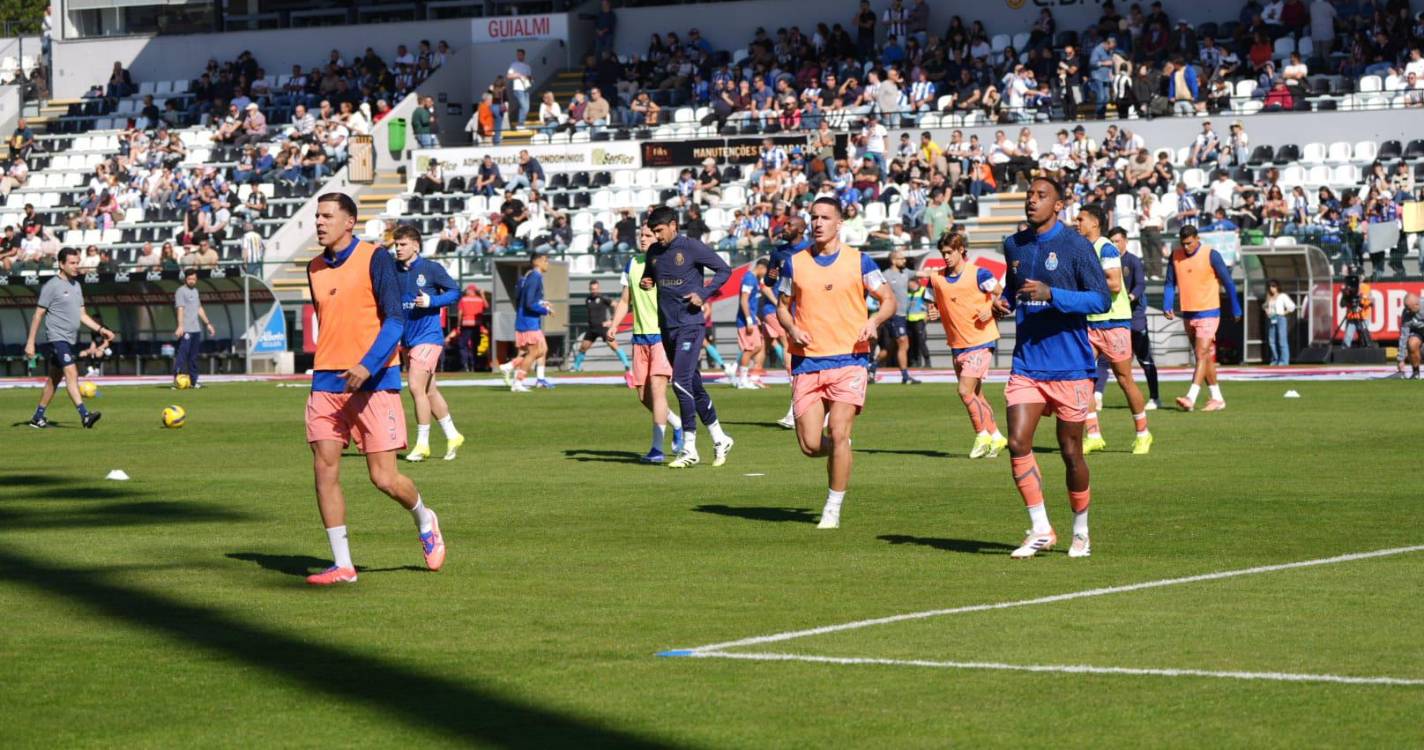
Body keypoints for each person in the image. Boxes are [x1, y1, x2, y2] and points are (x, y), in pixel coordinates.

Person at [302, 193, 443, 585]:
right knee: (324, 470)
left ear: (350, 222)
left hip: (375, 382)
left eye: (327, 216)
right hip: (325, 383)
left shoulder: (375, 258)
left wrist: (368, 364)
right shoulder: (313, 268)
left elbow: (395, 320)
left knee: (383, 478)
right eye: (317, 216)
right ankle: (343, 565)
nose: (319, 222)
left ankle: (424, 517)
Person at [993, 177, 1110, 559]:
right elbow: (1014, 289)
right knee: (1016, 442)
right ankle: (1041, 527)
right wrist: (1003, 302)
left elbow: (1101, 299)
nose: (1032, 201)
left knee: (1071, 451)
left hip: (1071, 367)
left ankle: (1081, 531)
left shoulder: (1076, 246)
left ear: (1058, 205)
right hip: (1027, 363)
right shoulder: (1015, 244)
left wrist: (1052, 294)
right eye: (1029, 195)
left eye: (1042, 196)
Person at [776, 197, 894, 529]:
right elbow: (782, 306)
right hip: (807, 362)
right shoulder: (794, 263)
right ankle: (842, 452)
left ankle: (833, 506)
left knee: (839, 432)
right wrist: (792, 328)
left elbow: (888, 300)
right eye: (813, 217)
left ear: (839, 223)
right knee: (811, 445)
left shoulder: (860, 262)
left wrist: (874, 322)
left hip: (849, 359)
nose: (817, 223)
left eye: (825, 217)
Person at [639, 206, 734, 468]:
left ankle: (689, 448)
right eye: (653, 232)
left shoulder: (691, 247)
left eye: (659, 231)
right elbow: (649, 277)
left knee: (679, 382)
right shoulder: (654, 252)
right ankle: (720, 437)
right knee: (693, 386)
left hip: (690, 325)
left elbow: (724, 270)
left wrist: (703, 294)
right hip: (666, 327)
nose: (657, 236)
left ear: (673, 225)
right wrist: (645, 282)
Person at [1075, 206, 1153, 456]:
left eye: (1081, 219)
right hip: (1089, 322)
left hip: (1114, 322)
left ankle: (1143, 433)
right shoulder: (1081, 248)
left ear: (1095, 222)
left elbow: (1114, 284)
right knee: (1082, 379)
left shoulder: (1106, 248)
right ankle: (1094, 434)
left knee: (1124, 379)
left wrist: (1082, 286)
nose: (1076, 222)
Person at [920, 233, 1006, 459]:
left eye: (950, 252)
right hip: (957, 345)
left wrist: (994, 309)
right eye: (943, 253)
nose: (946, 257)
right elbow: (929, 299)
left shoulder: (980, 274)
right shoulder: (936, 278)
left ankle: (982, 435)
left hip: (981, 341)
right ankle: (996, 435)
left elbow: (1003, 295)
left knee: (964, 390)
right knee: (977, 395)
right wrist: (932, 309)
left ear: (961, 251)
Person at [607, 223, 685, 462]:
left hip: (661, 335)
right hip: (639, 337)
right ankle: (676, 423)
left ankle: (657, 449)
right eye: (641, 234)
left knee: (658, 390)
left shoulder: (668, 262)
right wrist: (614, 325)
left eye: (648, 235)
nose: (642, 238)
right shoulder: (632, 264)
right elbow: (624, 300)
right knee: (643, 395)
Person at [391, 225, 465, 462]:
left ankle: (422, 444)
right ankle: (453, 435)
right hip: (409, 339)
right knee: (429, 391)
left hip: (429, 338)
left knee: (415, 387)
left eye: (402, 244)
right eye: (396, 244)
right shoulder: (394, 270)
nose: (398, 248)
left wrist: (433, 300)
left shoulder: (431, 269)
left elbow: (455, 292)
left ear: (415, 245)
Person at [24, 247, 113, 429]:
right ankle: (85, 415)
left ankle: (37, 417)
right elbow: (38, 315)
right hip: (57, 338)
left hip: (68, 340)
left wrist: (101, 329)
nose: (76, 266)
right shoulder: (51, 286)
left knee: (53, 381)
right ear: (61, 264)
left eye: (77, 263)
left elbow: (82, 315)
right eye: (72, 263)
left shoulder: (77, 286)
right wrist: (30, 342)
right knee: (72, 373)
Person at [1163, 225, 1241, 412]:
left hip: (1209, 312)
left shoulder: (1211, 255)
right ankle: (1217, 398)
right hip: (1188, 313)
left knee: (1200, 354)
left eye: (1189, 243)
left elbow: (1228, 282)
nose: (1187, 247)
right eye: (1183, 244)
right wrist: (1167, 303)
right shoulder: (1175, 256)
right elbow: (1169, 283)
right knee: (1204, 357)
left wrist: (1236, 307)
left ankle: (1191, 397)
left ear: (1197, 239)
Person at [1093, 227, 1161, 410]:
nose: (1114, 244)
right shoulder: (1104, 259)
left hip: (1134, 316)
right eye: (1112, 241)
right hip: (1113, 317)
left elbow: (1140, 284)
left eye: (1117, 241)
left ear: (1125, 241)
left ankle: (1155, 397)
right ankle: (1097, 396)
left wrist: (1130, 297)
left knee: (1145, 358)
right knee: (1104, 360)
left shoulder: (1133, 261)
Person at [763, 216, 810, 428]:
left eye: (790, 225)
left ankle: (812, 410)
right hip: (792, 314)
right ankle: (796, 411)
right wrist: (773, 273)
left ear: (802, 229)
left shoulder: (813, 248)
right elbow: (769, 281)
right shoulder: (778, 252)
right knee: (793, 362)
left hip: (815, 312)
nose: (785, 227)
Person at [500, 251, 553, 392]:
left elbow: (529, 300)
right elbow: (529, 303)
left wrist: (542, 303)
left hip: (529, 320)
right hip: (528, 321)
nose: (547, 263)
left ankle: (510, 366)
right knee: (534, 352)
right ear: (537, 262)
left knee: (541, 350)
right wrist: (544, 310)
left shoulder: (533, 277)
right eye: (545, 260)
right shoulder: (535, 277)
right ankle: (517, 382)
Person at [571, 280, 632, 378]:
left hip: (603, 328)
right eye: (592, 289)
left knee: (614, 346)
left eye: (595, 289)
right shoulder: (588, 300)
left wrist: (612, 320)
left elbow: (616, 305)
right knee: (583, 348)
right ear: (589, 289)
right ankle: (576, 367)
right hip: (592, 329)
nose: (593, 291)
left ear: (599, 289)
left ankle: (627, 365)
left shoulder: (603, 298)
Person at [878, 249, 921, 384]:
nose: (904, 260)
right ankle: (905, 376)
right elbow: (875, 290)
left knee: (890, 347)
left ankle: (871, 366)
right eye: (901, 258)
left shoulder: (906, 273)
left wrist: (940, 272)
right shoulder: (885, 275)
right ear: (893, 260)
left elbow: (923, 273)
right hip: (894, 315)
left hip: (902, 316)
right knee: (903, 342)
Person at [173, 268, 216, 389]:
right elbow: (180, 308)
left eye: (194, 279)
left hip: (196, 329)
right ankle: (177, 381)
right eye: (189, 279)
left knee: (193, 357)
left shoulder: (196, 291)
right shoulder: (180, 291)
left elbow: (199, 308)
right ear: (185, 279)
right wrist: (180, 326)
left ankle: (193, 381)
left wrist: (208, 324)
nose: (192, 281)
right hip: (186, 329)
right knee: (182, 356)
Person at [735, 258, 768, 389]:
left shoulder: (753, 279)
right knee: (749, 349)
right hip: (745, 321)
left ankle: (741, 373)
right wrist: (748, 320)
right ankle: (742, 380)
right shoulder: (749, 279)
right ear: (761, 267)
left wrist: (754, 317)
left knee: (757, 346)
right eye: (766, 271)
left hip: (751, 319)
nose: (765, 274)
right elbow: (744, 300)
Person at [1263, 278, 1297, 366]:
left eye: (1273, 286)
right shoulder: (1269, 297)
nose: (1272, 288)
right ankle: (1275, 359)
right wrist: (1267, 311)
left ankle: (1284, 361)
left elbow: (1292, 306)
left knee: (1282, 340)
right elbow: (1265, 306)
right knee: (1272, 341)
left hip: (1280, 318)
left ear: (1277, 287)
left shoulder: (1282, 296)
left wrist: (1283, 313)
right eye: (1270, 286)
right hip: (1271, 318)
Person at [456, 284, 486, 372]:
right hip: (477, 325)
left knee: (462, 345)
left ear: (468, 291)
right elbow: (487, 306)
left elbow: (460, 313)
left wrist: (458, 325)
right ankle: (474, 365)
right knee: (475, 346)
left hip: (466, 325)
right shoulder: (480, 300)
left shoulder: (463, 299)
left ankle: (465, 365)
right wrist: (482, 295)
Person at [1397, 293, 1424, 379]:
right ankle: (1416, 372)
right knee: (1411, 344)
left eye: (1409, 308)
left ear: (1417, 304)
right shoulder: (1406, 313)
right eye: (1406, 308)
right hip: (1419, 333)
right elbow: (1403, 336)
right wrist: (1400, 359)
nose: (1407, 311)